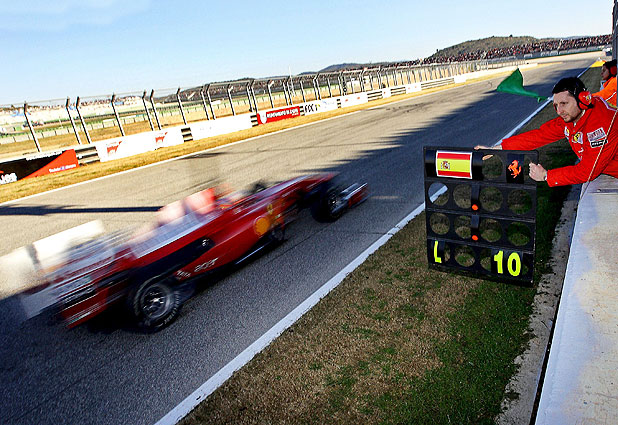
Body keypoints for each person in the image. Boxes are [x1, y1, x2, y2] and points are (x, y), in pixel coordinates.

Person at [475, 77, 618, 186]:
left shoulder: (601, 124)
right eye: (556, 105)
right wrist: (496, 149)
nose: (559, 111)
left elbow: (588, 171)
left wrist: (546, 176)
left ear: (583, 99)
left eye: (564, 104)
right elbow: (539, 136)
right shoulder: (571, 117)